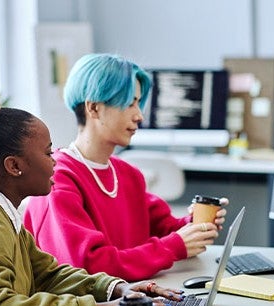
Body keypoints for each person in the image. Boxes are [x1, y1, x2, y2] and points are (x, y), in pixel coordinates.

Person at [0, 73, 183, 306]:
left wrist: (116, 289)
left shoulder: (2, 212)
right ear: (14, 166)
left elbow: (48, 274)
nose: (54, 160)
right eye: (48, 152)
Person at [23, 53, 229, 281]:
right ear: (94, 108)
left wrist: (195, 225)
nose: (139, 116)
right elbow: (90, 267)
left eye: (138, 104)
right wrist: (174, 246)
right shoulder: (58, 179)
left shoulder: (127, 174)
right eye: (129, 104)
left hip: (132, 298)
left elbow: (165, 229)